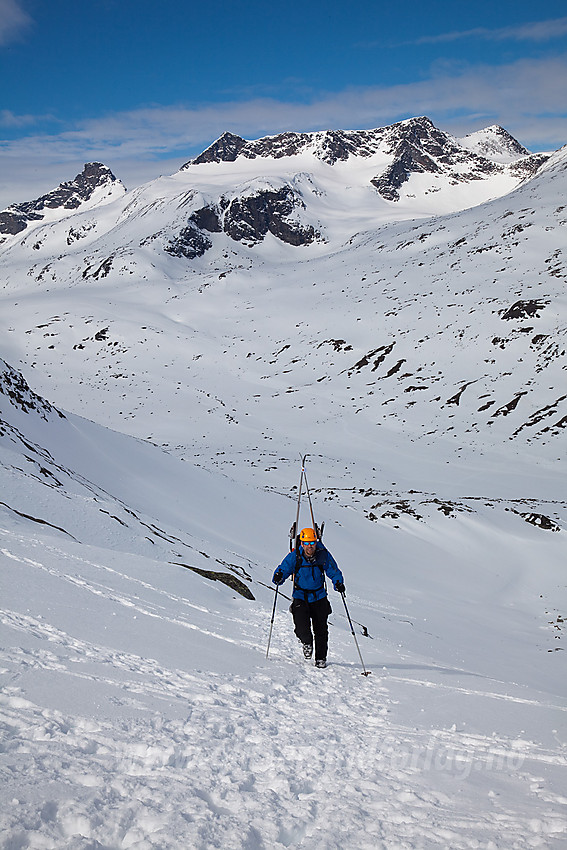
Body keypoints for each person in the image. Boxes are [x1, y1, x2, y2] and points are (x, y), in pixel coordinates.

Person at [272, 527, 345, 668]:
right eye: (307, 543)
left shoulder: (323, 555)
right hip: (300, 596)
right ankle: (307, 643)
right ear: (302, 543)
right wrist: (278, 576)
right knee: (301, 628)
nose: (310, 546)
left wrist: (338, 583)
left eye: (312, 543)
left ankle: (320, 658)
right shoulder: (295, 556)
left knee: (321, 629)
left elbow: (333, 570)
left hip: (319, 597)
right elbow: (284, 568)